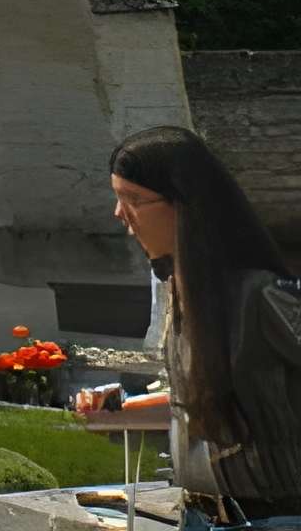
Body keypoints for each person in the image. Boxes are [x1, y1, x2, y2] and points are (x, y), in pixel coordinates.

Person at [74, 126, 301, 530]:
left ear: (185, 205)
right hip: (198, 517)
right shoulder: (178, 291)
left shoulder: (262, 296)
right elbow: (198, 402)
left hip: (275, 518)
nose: (119, 213)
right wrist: (118, 407)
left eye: (134, 199)